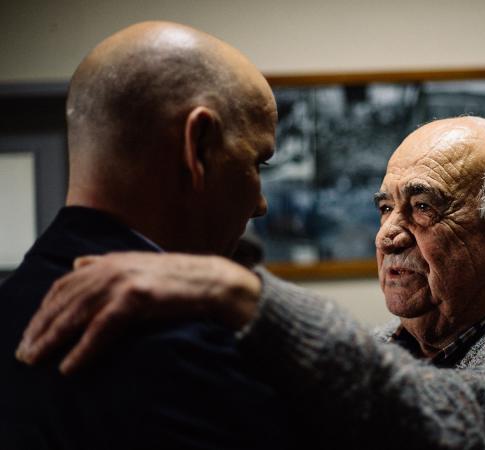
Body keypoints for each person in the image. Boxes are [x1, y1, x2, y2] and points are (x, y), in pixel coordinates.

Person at [17, 117, 485, 449]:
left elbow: (475, 432)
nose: (389, 234)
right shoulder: (388, 344)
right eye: (384, 208)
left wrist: (248, 297)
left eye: (423, 207)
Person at [0, 21, 290, 449]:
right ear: (199, 144)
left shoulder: (12, 306)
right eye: (256, 164)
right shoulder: (188, 350)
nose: (260, 204)